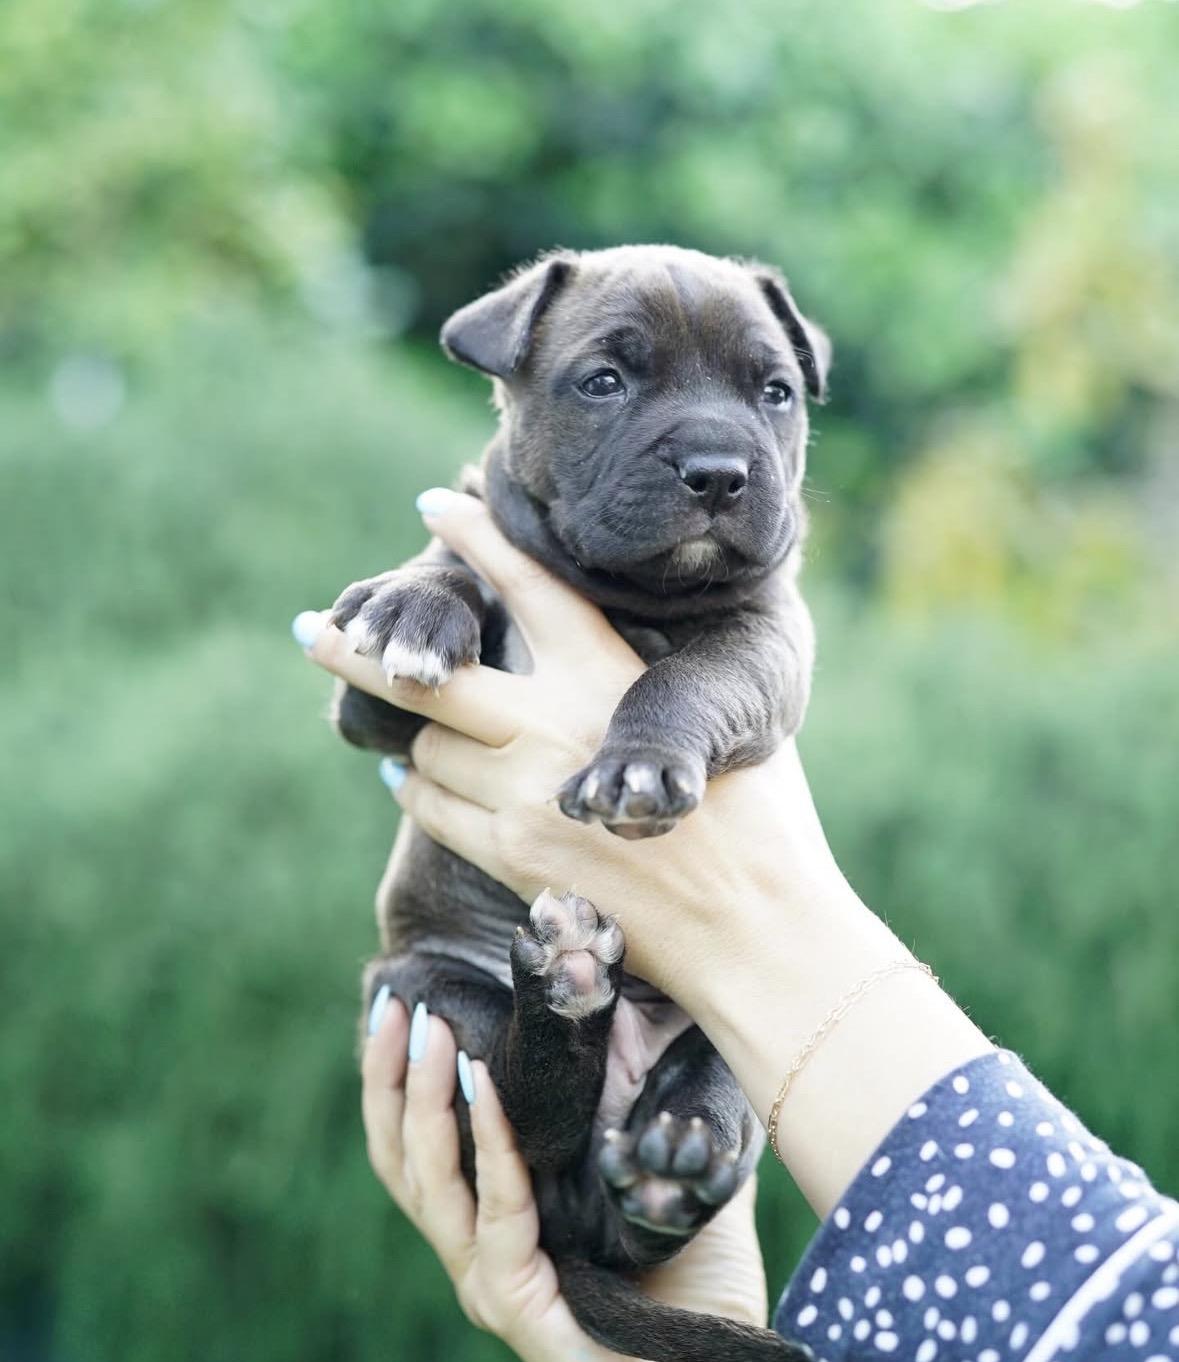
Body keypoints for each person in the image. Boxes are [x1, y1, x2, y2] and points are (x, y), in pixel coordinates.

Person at [295, 489, 1179, 1362]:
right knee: (441, 1018)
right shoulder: (494, 533)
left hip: (660, 1083)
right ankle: (606, 1104)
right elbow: (372, 715)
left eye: (772, 407)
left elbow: (762, 666)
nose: (712, 448)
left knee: (709, 1076)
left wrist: (673, 760)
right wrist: (435, 597)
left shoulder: (753, 608)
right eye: (608, 399)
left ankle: (665, 1164)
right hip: (487, 1021)